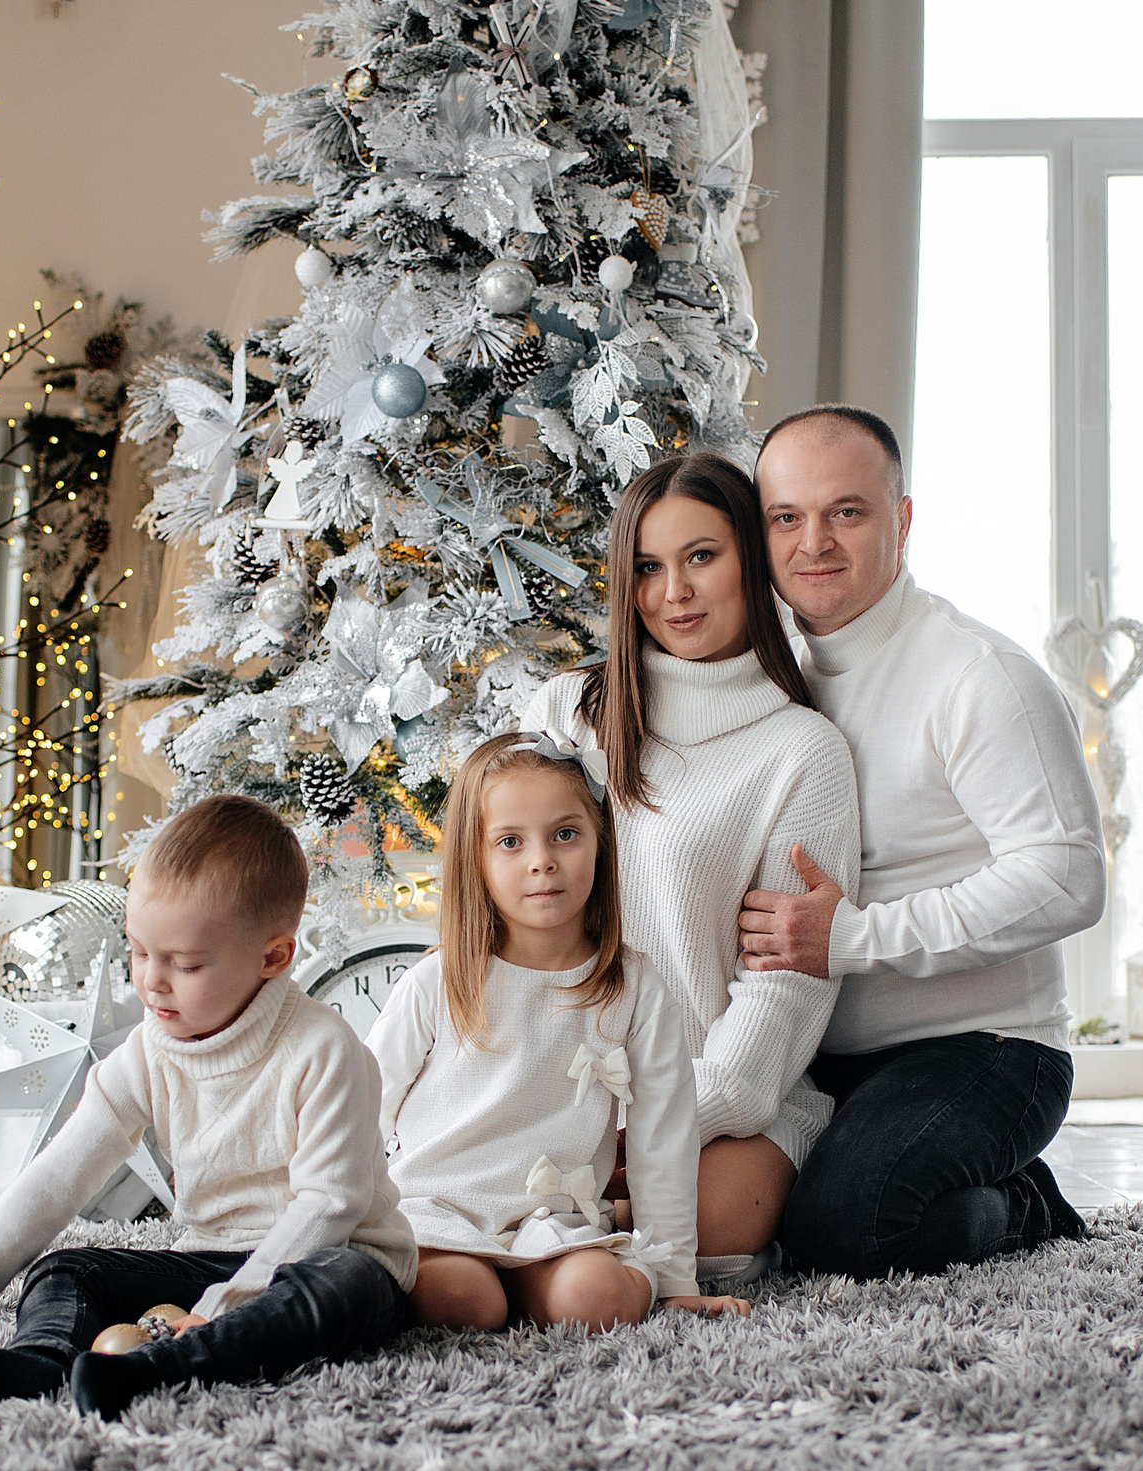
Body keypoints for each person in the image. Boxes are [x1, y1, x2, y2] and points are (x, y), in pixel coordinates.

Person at [0, 795, 419, 1419]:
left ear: (273, 958)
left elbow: (329, 1205)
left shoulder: (324, 1049)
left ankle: (161, 1370)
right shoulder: (148, 1051)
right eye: (139, 952)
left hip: (333, 1256)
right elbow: (54, 1180)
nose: (150, 981)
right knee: (67, 1269)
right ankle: (42, 1363)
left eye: (183, 964)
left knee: (340, 1284)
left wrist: (219, 1308)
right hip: (212, 1254)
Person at [738, 405, 1105, 1277]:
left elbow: (1068, 879)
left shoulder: (978, 677)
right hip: (816, 1053)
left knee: (843, 1230)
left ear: (901, 520)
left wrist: (853, 937)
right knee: (726, 1221)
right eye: (786, 517)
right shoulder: (764, 675)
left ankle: (1023, 1203)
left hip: (986, 1051)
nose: (814, 542)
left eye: (847, 512)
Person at [522, 452, 861, 1292]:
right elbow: (499, 899)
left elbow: (782, 991)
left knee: (703, 1235)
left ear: (750, 557)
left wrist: (650, 1132)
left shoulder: (801, 752)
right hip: (564, 1085)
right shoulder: (573, 710)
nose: (673, 591)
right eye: (648, 567)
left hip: (723, 1097)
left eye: (701, 557)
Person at [368, 733, 747, 1331]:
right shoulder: (439, 980)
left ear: (600, 844)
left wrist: (675, 1280)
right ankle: (493, 1285)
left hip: (554, 1222)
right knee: (465, 1303)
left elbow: (662, 1141)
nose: (541, 860)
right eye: (510, 842)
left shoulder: (635, 986)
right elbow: (364, 1105)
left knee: (597, 1301)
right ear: (476, 860)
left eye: (565, 834)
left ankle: (531, 1282)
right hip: (441, 1210)